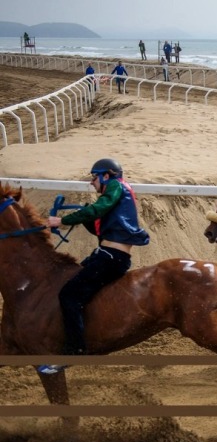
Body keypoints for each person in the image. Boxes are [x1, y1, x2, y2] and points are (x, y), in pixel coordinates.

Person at [39, 158, 150, 374]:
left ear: (106, 176)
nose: (92, 182)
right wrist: (85, 216)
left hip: (110, 257)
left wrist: (61, 221)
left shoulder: (116, 187)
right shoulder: (118, 195)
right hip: (108, 254)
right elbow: (97, 222)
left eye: (94, 177)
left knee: (69, 295)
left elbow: (97, 210)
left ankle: (76, 349)